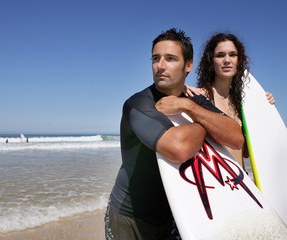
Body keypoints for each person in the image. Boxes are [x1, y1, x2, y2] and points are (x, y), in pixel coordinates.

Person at [105, 28, 244, 240]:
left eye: (170, 59)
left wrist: (189, 107)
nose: (160, 66)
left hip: (176, 214)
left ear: (188, 65)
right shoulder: (138, 104)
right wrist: (207, 126)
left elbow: (235, 137)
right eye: (155, 58)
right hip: (130, 217)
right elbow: (178, 148)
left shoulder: (193, 101)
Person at [184, 33, 275, 169]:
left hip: (243, 182)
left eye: (232, 55)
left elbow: (247, 153)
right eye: (220, 55)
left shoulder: (243, 104)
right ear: (211, 61)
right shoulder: (198, 96)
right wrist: (180, 89)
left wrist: (264, 108)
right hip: (217, 182)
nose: (227, 60)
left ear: (239, 60)